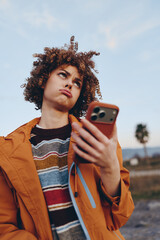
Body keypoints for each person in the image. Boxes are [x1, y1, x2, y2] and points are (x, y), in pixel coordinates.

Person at [0, 36, 134, 240]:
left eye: (77, 82)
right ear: (43, 79)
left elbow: (120, 217)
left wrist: (110, 167)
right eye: (63, 75)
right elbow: (4, 227)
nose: (70, 84)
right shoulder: (7, 151)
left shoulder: (96, 139)